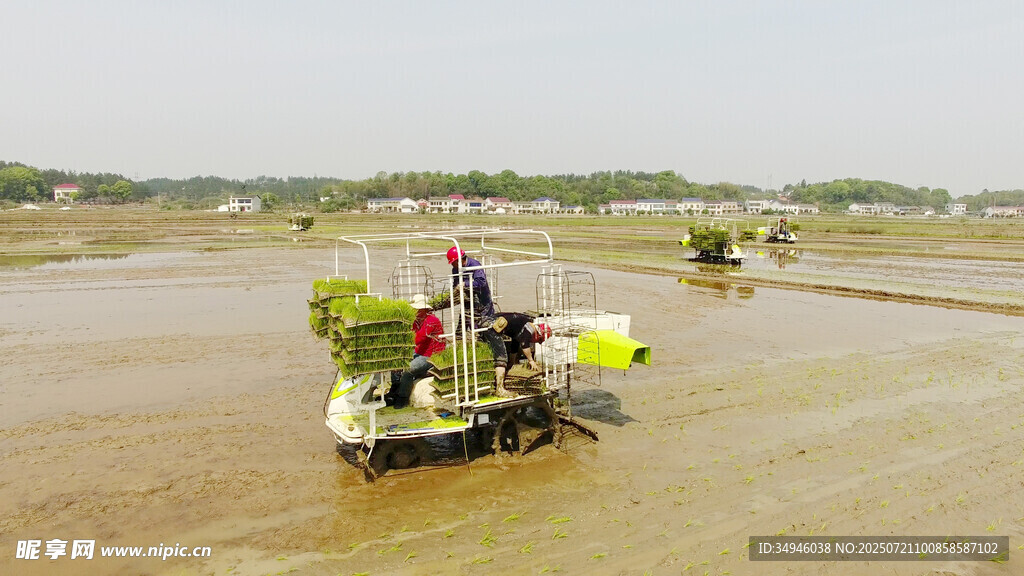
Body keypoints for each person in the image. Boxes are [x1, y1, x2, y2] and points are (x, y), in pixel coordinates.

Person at [446, 246, 510, 395]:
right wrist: (456, 288)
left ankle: (499, 387)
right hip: (468, 308)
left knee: (494, 343)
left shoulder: (475, 266)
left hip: (483, 309)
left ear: (459, 259)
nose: (453, 266)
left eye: (454, 263)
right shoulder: (456, 269)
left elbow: (481, 283)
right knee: (461, 336)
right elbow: (455, 283)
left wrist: (466, 284)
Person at [387, 294, 445, 408]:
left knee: (408, 370)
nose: (415, 311)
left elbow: (418, 339)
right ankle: (394, 391)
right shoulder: (416, 321)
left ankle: (402, 398)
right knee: (395, 363)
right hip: (419, 353)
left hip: (431, 355)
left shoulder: (432, 321)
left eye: (418, 309)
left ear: (424, 309)